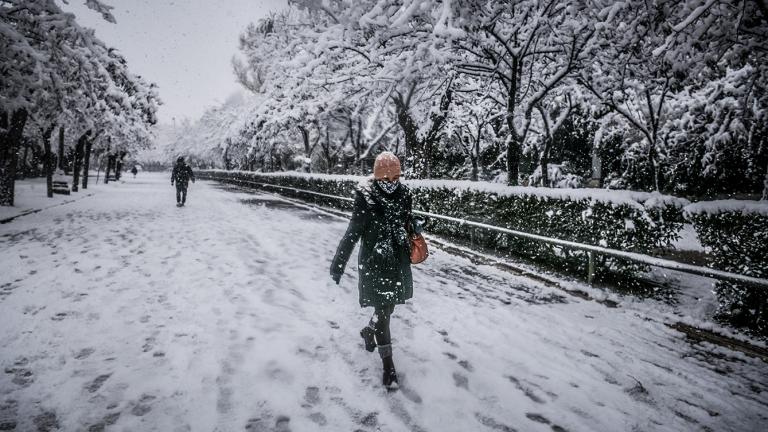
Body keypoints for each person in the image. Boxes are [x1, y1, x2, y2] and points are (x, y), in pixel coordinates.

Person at [330, 151, 416, 390]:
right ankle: (388, 366)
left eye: (395, 177)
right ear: (377, 177)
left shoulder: (405, 194)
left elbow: (409, 222)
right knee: (384, 312)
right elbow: (352, 232)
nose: (391, 183)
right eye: (386, 178)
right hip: (374, 262)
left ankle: (369, 331)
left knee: (387, 308)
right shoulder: (365, 197)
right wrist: (338, 264)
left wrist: (414, 231)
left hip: (397, 260)